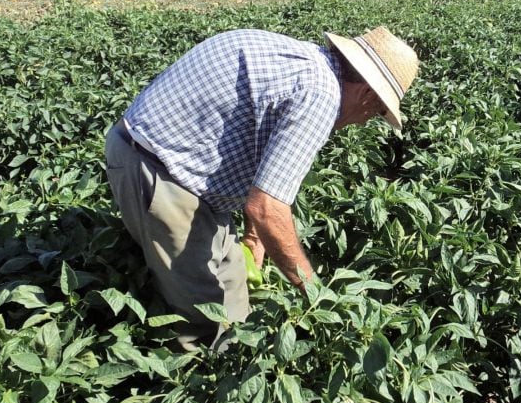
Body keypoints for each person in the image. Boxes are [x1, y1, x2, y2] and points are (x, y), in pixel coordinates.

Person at [104, 26, 419, 350]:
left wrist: (254, 239)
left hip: (168, 167)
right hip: (162, 176)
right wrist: (315, 295)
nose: (367, 120)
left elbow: (264, 166)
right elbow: (267, 207)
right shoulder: (321, 94)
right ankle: (198, 386)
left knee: (234, 298)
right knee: (210, 326)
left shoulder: (302, 61)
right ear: (368, 94)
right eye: (378, 112)